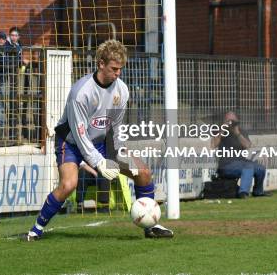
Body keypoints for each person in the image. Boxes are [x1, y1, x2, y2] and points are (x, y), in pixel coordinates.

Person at [23, 39, 173, 241]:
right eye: (114, 68)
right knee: (69, 184)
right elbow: (80, 134)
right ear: (101, 64)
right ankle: (36, 229)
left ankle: (150, 226)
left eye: (121, 69)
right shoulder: (81, 93)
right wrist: (99, 162)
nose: (118, 73)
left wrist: (118, 152)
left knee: (143, 172)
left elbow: (116, 127)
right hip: (71, 142)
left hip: (102, 142)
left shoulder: (122, 90)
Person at [211, 111, 271, 198]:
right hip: (226, 165)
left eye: (232, 121)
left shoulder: (241, 131)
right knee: (248, 167)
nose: (230, 123)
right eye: (228, 121)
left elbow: (247, 145)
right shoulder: (219, 130)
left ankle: (258, 191)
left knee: (260, 169)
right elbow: (213, 145)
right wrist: (223, 130)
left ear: (237, 121)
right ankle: (243, 193)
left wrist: (237, 133)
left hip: (241, 162)